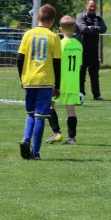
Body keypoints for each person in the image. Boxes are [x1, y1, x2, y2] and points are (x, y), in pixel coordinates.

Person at [17, 4, 61, 161]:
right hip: (45, 80)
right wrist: (57, 85)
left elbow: (20, 59)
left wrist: (22, 78)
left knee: (30, 114)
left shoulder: (28, 34)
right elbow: (57, 64)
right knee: (41, 116)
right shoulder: (54, 37)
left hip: (29, 79)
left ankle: (25, 139)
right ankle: (35, 152)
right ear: (53, 20)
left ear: (37, 18)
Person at [45, 15, 83, 145]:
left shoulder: (59, 44)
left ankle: (56, 132)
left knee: (50, 104)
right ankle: (71, 138)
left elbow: (55, 63)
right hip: (73, 81)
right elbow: (79, 65)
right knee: (70, 110)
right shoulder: (79, 45)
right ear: (74, 28)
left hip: (60, 81)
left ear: (60, 29)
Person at [76, 0, 107, 100]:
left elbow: (103, 29)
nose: (92, 8)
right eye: (90, 6)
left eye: (94, 6)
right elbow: (82, 28)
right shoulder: (81, 16)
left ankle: (97, 95)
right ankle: (81, 94)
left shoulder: (98, 18)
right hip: (82, 51)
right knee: (81, 74)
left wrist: (90, 28)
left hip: (94, 51)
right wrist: (95, 28)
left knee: (94, 75)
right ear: (86, 6)